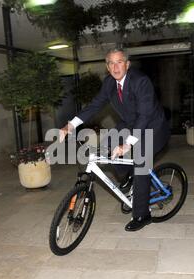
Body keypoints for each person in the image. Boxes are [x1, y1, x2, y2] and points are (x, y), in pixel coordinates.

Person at [59, 48, 170, 232]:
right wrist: (70, 125)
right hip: (129, 123)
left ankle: (143, 215)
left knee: (141, 165)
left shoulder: (140, 81)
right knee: (106, 146)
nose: (115, 66)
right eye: (111, 63)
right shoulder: (110, 83)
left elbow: (144, 115)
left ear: (127, 64)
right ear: (107, 67)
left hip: (153, 126)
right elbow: (95, 105)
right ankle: (126, 176)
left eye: (119, 62)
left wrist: (128, 144)